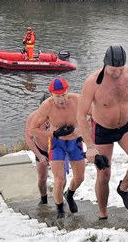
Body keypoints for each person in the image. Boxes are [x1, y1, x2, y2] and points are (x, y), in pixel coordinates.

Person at [76, 45, 128, 219]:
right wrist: (90, 146)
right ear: (104, 64)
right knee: (103, 175)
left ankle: (123, 188)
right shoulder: (92, 82)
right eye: (112, 70)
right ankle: (103, 213)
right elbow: (80, 114)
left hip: (126, 126)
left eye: (120, 70)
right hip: (102, 130)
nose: (116, 74)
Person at [31, 78, 86, 219]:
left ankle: (70, 194)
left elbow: (95, 114)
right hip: (57, 143)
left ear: (68, 91)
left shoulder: (78, 100)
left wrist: (82, 128)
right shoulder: (46, 106)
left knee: (79, 178)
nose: (62, 99)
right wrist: (54, 133)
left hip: (75, 142)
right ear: (51, 95)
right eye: (57, 96)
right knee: (59, 179)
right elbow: (34, 130)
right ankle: (59, 208)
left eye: (64, 95)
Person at [25, 92, 52, 205]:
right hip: (41, 149)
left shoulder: (58, 115)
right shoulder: (33, 117)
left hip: (56, 148)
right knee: (42, 178)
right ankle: (43, 198)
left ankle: (61, 199)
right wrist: (40, 156)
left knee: (61, 178)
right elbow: (29, 138)